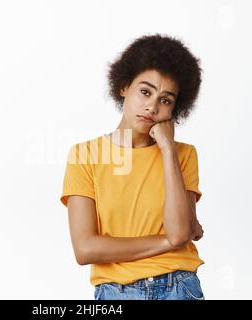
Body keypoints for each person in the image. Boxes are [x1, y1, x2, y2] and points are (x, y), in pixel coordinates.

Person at [60, 34, 205, 300]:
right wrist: (169, 241)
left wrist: (168, 150)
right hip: (117, 292)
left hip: (179, 287)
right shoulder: (85, 155)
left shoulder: (183, 154)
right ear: (124, 87)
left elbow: (181, 230)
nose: (152, 106)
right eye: (145, 92)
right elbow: (85, 249)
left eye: (166, 100)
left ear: (176, 109)